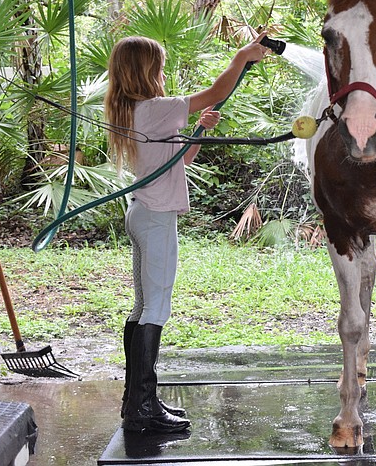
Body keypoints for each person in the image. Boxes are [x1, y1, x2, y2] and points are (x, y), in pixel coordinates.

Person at [104, 33, 269, 433]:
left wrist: (198, 129)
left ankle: (136, 400)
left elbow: (179, 158)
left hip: (143, 213)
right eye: (158, 66)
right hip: (156, 218)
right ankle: (142, 406)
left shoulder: (137, 110)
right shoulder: (155, 107)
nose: (162, 73)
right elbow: (217, 89)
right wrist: (241, 56)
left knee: (143, 306)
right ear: (146, 71)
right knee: (155, 309)